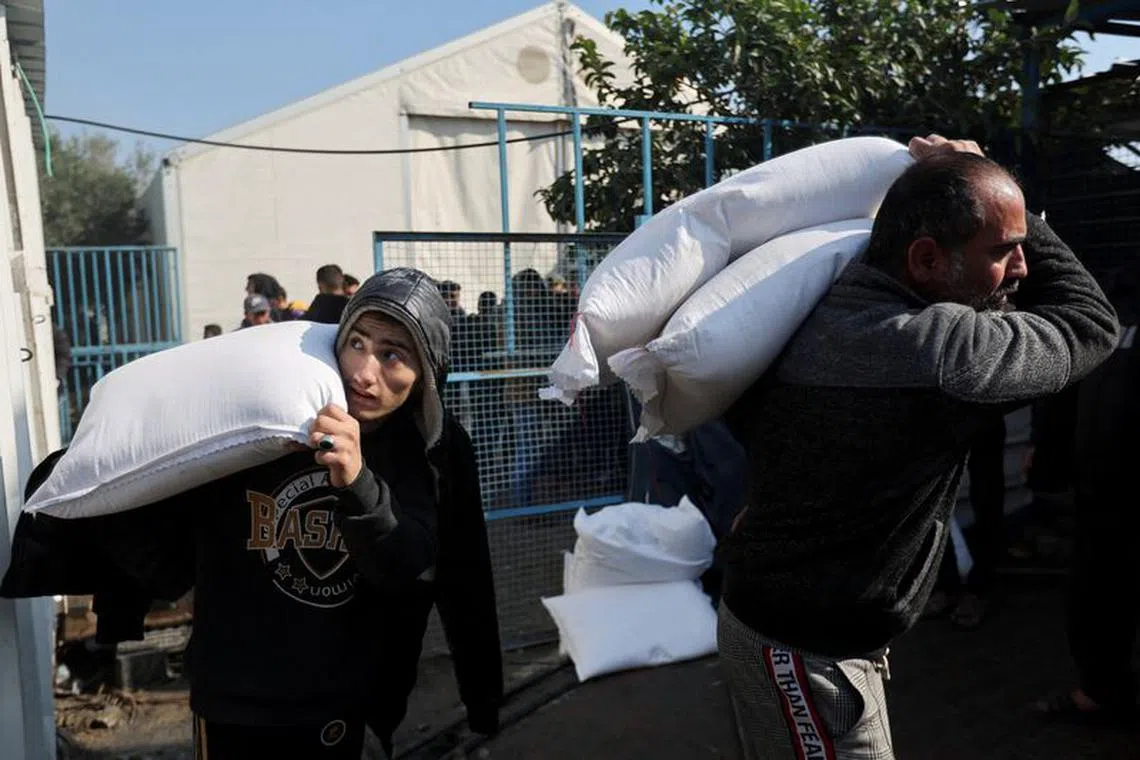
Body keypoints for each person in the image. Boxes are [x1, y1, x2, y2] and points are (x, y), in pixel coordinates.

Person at [717, 136, 1118, 760]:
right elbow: (1090, 323)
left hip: (800, 634)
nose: (1021, 268)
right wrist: (1027, 218)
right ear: (927, 258)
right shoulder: (940, 352)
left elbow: (744, 407)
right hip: (807, 653)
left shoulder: (830, 306)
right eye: (1003, 250)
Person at [2, 268, 503, 758]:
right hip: (236, 698)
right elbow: (119, 507)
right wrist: (183, 585)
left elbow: (431, 570)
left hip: (346, 704)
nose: (364, 373)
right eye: (357, 343)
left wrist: (358, 484)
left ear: (424, 375)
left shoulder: (428, 451)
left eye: (392, 355)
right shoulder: (261, 420)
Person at [1035, 258, 1140, 725]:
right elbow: (1071, 380)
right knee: (1094, 598)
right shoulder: (1112, 297)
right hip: (1101, 488)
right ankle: (1100, 689)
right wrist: (1048, 450)